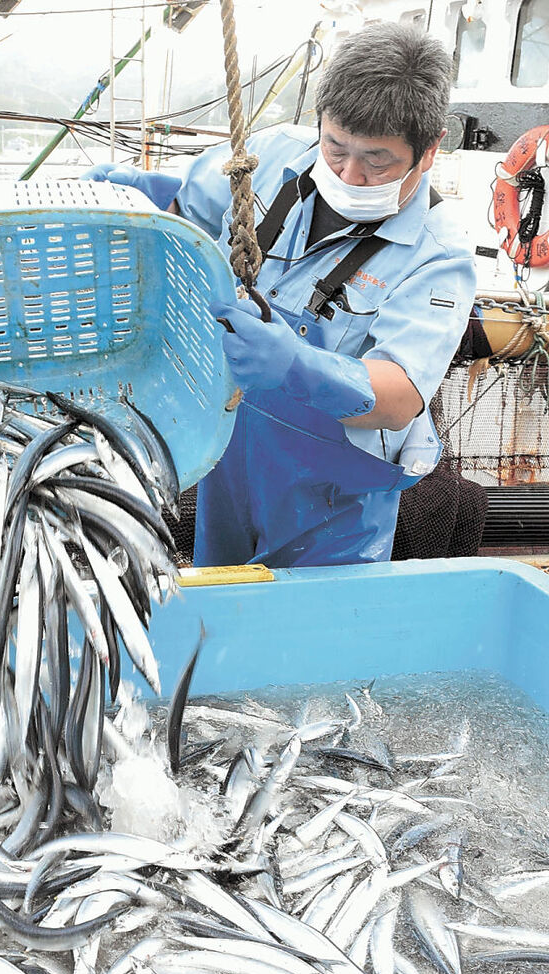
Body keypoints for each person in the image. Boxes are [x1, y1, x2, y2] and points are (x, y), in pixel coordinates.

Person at [84, 23, 476, 568]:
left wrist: (295, 366)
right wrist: (125, 194)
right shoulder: (270, 155)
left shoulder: (440, 256)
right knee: (218, 614)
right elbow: (183, 209)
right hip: (230, 459)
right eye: (335, 146)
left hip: (336, 504)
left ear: (429, 151)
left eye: (377, 161)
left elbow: (401, 396)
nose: (349, 172)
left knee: (317, 642)